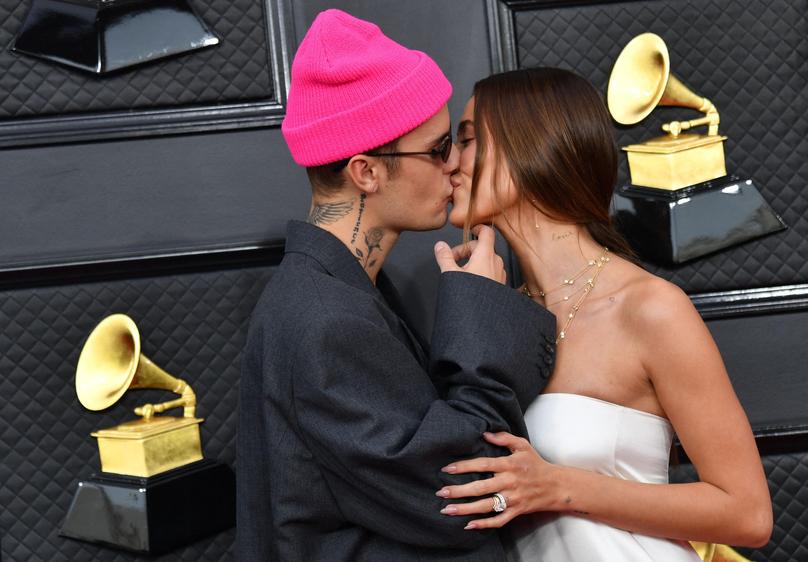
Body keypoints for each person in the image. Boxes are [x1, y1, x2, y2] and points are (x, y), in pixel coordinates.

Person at [236, 11, 556, 561]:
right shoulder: (326, 321)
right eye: (437, 150)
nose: (455, 165)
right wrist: (481, 308)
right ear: (367, 172)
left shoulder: (338, 292)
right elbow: (466, 492)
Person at [439, 67, 773, 561]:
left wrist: (558, 487)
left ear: (531, 144)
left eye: (466, 141)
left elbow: (747, 514)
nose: (450, 163)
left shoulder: (650, 308)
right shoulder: (499, 312)